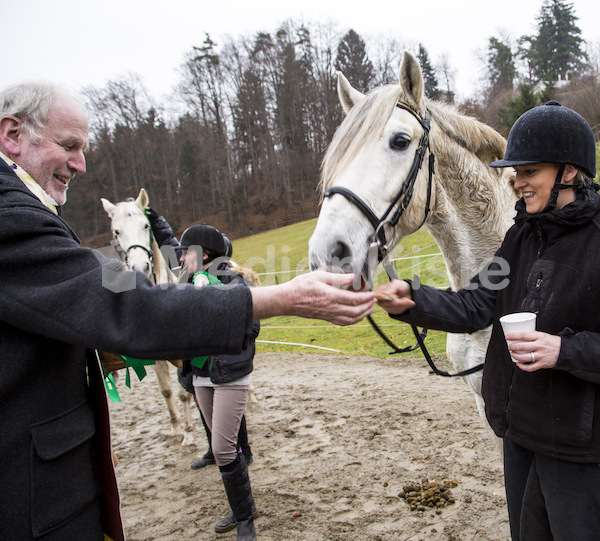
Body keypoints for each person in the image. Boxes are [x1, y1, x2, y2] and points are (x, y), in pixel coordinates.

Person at [0, 82, 376, 541]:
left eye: (82, 149)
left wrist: (124, 282)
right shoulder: (12, 215)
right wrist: (283, 298)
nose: (80, 164)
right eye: (70, 146)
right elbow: (120, 296)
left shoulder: (28, 212)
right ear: (12, 135)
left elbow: (108, 285)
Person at [374, 101, 600, 541]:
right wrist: (411, 301)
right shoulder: (519, 238)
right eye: (516, 173)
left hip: (578, 449)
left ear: (569, 172)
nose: (518, 183)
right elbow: (478, 305)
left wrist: (563, 350)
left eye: (529, 171)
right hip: (519, 437)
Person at [176, 224, 259, 540]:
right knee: (222, 445)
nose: (181, 256)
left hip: (230, 374)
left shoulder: (233, 282)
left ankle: (246, 520)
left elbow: (251, 331)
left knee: (223, 448)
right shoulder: (186, 282)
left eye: (186, 251)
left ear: (204, 253)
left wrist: (217, 327)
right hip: (201, 376)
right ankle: (244, 508)